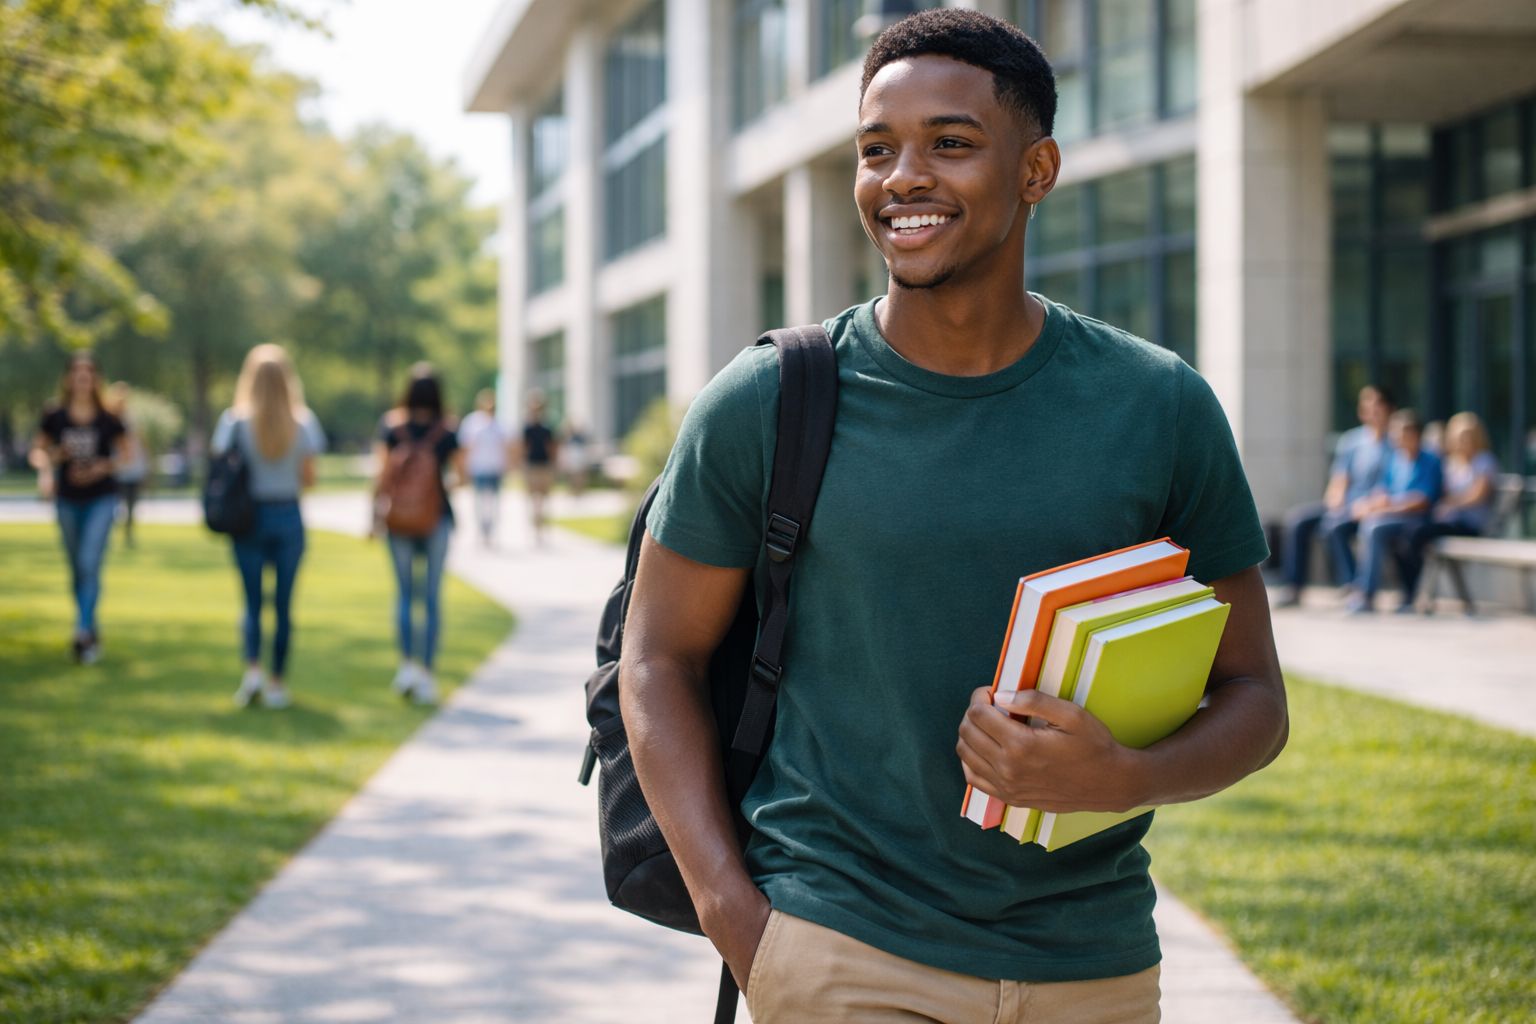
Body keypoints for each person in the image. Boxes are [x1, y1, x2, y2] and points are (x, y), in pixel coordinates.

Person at [619, 11, 1287, 1023]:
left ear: (1037, 169)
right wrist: (738, 921)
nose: (903, 178)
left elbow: (1254, 699)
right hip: (842, 947)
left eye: (951, 143)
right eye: (877, 150)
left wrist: (1122, 774)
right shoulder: (768, 400)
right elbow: (655, 657)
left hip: (1091, 963)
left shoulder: (1159, 407)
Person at [211, 345, 326, 709]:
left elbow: (221, 469)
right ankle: (277, 682)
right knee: (284, 606)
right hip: (288, 516)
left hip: (248, 518)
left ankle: (253, 672)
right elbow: (309, 479)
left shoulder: (234, 422)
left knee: (251, 603)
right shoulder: (304, 422)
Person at [30, 353, 133, 663]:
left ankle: (81, 630)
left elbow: (126, 456)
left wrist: (102, 467)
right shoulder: (55, 415)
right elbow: (37, 450)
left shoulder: (108, 418)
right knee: (77, 569)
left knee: (90, 562)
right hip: (67, 499)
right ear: (68, 379)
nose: (82, 378)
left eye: (88, 373)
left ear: (96, 379)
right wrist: (50, 464)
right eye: (76, 372)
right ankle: (90, 628)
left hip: (101, 498)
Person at [373, 364, 462, 705]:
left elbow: (381, 475)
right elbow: (462, 475)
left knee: (405, 594)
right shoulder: (447, 430)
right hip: (436, 518)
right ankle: (427, 673)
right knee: (432, 597)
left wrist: (375, 513)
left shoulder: (392, 426)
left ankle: (406, 666)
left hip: (398, 521)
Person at [1274, 385, 1394, 607]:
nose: (1371, 410)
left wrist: (1367, 506)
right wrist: (1335, 499)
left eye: (1377, 405)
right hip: (1346, 505)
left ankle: (1352, 586)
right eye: (1366, 405)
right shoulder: (1352, 441)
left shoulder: (1395, 444)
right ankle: (1293, 586)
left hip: (1372, 509)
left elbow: (1392, 486)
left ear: (1388, 409)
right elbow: (1339, 479)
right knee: (1298, 520)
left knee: (1334, 526)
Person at [1340, 408, 1442, 614]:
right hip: (1395, 517)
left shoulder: (1430, 460)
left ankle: (1367, 594)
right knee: (1358, 523)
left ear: (1415, 434)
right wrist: (1369, 505)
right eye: (1395, 433)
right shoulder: (1396, 459)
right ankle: (1358, 588)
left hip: (1418, 521)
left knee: (1374, 528)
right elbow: (1383, 490)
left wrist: (1389, 507)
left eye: (1402, 432)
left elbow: (1422, 500)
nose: (1397, 437)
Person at [1395, 411, 1500, 609]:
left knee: (1417, 533)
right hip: (1450, 521)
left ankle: (1413, 592)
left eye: (1468, 436)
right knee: (1406, 532)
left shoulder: (1484, 461)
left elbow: (1477, 496)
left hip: (1470, 524)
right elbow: (1443, 494)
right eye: (1459, 437)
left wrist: (1452, 503)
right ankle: (1411, 591)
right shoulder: (1452, 463)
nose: (1463, 441)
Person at [458, 388, 512, 547]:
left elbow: (506, 446)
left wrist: (508, 465)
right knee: (480, 502)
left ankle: (491, 531)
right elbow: (466, 447)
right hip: (479, 468)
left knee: (494, 502)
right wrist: (463, 469)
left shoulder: (500, 424)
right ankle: (481, 530)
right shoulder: (473, 423)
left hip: (495, 468)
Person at [107, 382, 149, 549]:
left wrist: (146, 461)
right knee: (113, 502)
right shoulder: (110, 418)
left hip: (134, 466)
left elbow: (140, 439)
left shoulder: (132, 417)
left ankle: (128, 533)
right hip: (116, 467)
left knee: (132, 502)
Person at [517, 391, 558, 545]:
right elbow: (524, 447)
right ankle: (535, 529)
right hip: (532, 465)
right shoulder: (527, 427)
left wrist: (554, 464)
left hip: (544, 465)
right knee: (534, 499)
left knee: (544, 499)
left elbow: (551, 447)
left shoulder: (547, 427)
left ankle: (543, 529)